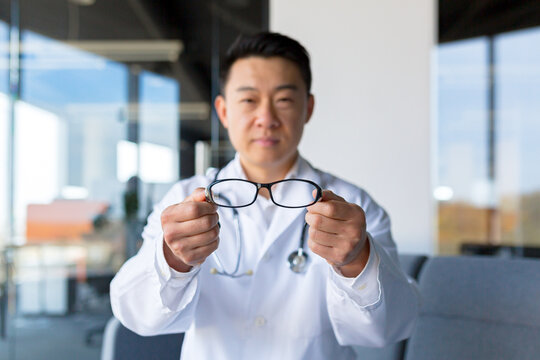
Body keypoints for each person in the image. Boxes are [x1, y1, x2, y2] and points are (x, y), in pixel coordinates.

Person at [110, 32, 419, 360]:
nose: (267, 119)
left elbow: (390, 329)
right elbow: (137, 315)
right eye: (248, 100)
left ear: (308, 108)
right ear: (224, 111)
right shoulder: (184, 199)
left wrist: (358, 260)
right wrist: (172, 260)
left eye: (284, 100)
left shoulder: (354, 207)